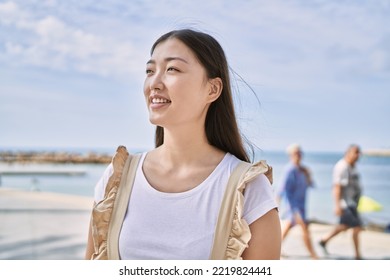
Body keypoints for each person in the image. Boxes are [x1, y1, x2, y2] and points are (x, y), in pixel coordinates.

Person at [84, 29, 281, 260]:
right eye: (149, 71)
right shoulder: (117, 179)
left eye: (172, 69)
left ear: (213, 89)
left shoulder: (248, 189)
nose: (154, 83)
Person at [319, 144, 363, 259]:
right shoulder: (342, 167)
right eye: (356, 152)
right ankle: (357, 255)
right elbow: (337, 187)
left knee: (344, 226)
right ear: (348, 153)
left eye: (359, 152)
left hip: (352, 203)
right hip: (345, 203)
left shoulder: (353, 166)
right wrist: (337, 205)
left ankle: (324, 240)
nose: (358, 155)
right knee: (357, 227)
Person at [277, 144, 318, 259]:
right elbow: (281, 188)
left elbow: (311, 185)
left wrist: (309, 174)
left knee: (289, 227)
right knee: (305, 227)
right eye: (296, 153)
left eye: (300, 153)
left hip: (302, 205)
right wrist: (276, 206)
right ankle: (313, 255)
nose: (299, 155)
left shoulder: (303, 170)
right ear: (291, 155)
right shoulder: (289, 170)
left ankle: (276, 249)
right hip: (293, 206)